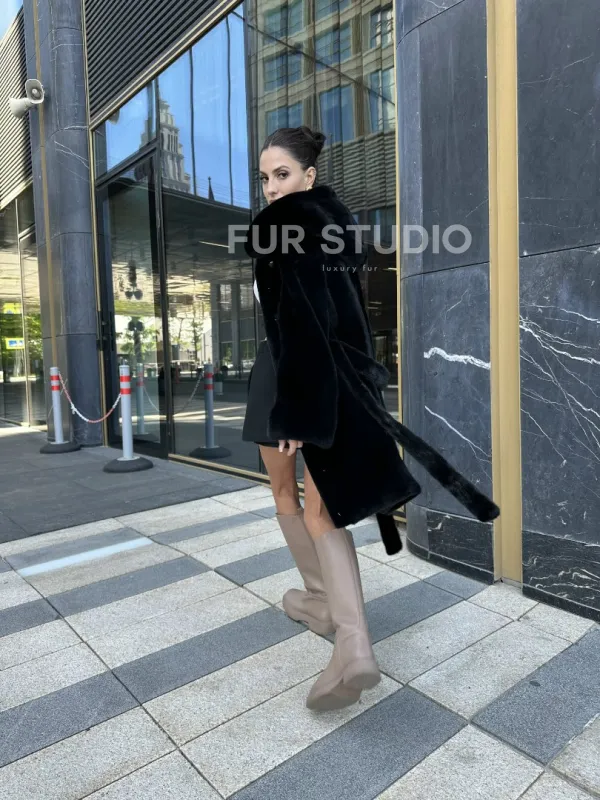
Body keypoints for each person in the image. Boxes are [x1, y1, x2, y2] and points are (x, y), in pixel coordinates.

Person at [242, 125, 499, 712]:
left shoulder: (283, 228)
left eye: (283, 174)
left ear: (308, 176)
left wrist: (297, 407)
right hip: (328, 376)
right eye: (265, 178)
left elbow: (302, 322)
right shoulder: (336, 230)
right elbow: (344, 319)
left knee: (297, 499)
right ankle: (327, 610)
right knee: (312, 504)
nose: (272, 188)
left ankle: (346, 633)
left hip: (296, 378)